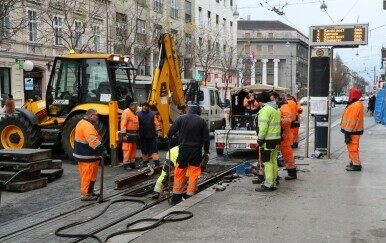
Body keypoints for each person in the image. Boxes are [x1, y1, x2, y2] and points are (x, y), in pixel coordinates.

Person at [167, 103, 210, 205]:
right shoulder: (201, 121)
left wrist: (169, 136)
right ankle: (190, 196)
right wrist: (206, 151)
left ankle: (176, 198)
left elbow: (170, 132)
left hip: (183, 150)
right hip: (196, 151)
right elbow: (206, 139)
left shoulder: (181, 119)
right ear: (198, 112)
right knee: (194, 173)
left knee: (180, 172)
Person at [73, 109, 108, 201]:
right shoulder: (87, 126)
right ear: (91, 116)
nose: (97, 117)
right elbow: (93, 141)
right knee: (87, 176)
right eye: (96, 115)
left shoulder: (83, 123)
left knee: (91, 176)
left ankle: (90, 192)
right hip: (86, 156)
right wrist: (102, 149)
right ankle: (85, 195)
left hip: (90, 155)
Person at [255, 92, 282, 192]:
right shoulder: (276, 109)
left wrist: (260, 139)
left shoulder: (265, 110)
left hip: (268, 140)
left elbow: (263, 126)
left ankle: (269, 184)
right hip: (276, 139)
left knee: (267, 162)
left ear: (261, 101)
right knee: (273, 160)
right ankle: (273, 182)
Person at [272, 93, 297, 180]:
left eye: (273, 99)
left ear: (277, 99)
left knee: (287, 154)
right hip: (281, 134)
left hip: (285, 135)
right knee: (283, 154)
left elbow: (288, 120)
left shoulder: (284, 107)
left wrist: (277, 121)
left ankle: (292, 173)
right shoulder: (280, 107)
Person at [341, 88, 364, 172]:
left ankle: (356, 165)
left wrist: (347, 132)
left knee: (353, 148)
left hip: (352, 131)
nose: (348, 95)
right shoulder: (356, 104)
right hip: (353, 130)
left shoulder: (355, 105)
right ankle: (353, 162)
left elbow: (352, 120)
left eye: (350, 93)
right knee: (352, 147)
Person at [137, 102, 161, 167]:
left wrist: (158, 129)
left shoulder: (151, 114)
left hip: (151, 134)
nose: (144, 107)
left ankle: (156, 161)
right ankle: (145, 161)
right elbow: (137, 124)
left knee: (153, 148)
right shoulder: (139, 114)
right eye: (143, 106)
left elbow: (156, 122)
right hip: (143, 134)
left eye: (146, 106)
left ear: (148, 107)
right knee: (144, 149)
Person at [121, 102, 139, 169]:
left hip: (133, 135)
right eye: (136, 107)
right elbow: (123, 124)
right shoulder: (126, 112)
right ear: (132, 106)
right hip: (128, 135)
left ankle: (132, 162)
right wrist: (124, 134)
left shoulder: (134, 113)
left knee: (133, 150)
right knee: (127, 150)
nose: (137, 108)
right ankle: (126, 164)